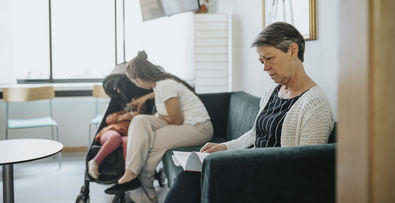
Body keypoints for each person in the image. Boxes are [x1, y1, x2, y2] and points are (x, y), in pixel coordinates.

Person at [164, 21, 335, 203]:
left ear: (293, 50)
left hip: (269, 180)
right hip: (252, 166)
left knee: (197, 177)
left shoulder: (315, 105)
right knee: (191, 172)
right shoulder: (272, 91)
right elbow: (255, 134)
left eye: (269, 59)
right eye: (262, 61)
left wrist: (243, 164)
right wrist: (225, 147)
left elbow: (305, 168)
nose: (265, 67)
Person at [104, 51, 213, 203]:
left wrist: (155, 116)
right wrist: (144, 99)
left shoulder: (165, 85)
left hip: (198, 128)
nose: (135, 85)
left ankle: (146, 195)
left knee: (151, 142)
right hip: (185, 124)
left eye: (133, 81)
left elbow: (176, 119)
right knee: (139, 121)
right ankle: (130, 172)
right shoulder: (161, 84)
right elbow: (165, 103)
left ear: (139, 78)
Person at [87, 104, 146, 180]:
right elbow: (108, 119)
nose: (138, 109)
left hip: (126, 136)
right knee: (115, 137)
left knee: (128, 142)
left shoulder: (142, 119)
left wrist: (138, 118)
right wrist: (123, 117)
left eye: (142, 108)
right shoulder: (122, 113)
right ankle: (95, 161)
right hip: (110, 132)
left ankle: (128, 173)